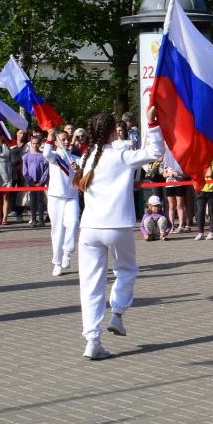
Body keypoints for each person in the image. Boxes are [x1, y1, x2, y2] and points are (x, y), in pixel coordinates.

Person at [72, 108, 163, 360]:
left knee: (90, 284)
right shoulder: (119, 155)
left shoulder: (87, 157)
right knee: (127, 271)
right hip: (117, 225)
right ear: (113, 130)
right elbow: (155, 153)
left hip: (89, 227)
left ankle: (92, 339)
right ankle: (117, 314)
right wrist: (153, 122)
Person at [44, 129, 80, 275]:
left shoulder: (76, 159)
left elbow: (85, 175)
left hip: (71, 196)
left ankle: (67, 252)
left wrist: (79, 170)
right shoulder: (55, 156)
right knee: (57, 230)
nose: (66, 142)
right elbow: (46, 154)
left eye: (67, 139)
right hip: (55, 197)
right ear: (58, 142)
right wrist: (50, 137)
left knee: (74, 223)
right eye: (63, 139)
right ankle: (57, 262)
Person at [23, 131, 49, 228]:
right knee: (32, 201)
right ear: (31, 143)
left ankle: (41, 219)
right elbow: (25, 171)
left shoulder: (43, 156)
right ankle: (33, 219)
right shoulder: (26, 157)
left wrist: (41, 181)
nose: (35, 145)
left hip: (40, 183)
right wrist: (30, 181)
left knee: (40, 202)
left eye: (37, 143)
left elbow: (46, 170)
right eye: (33, 143)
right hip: (31, 183)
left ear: (40, 143)